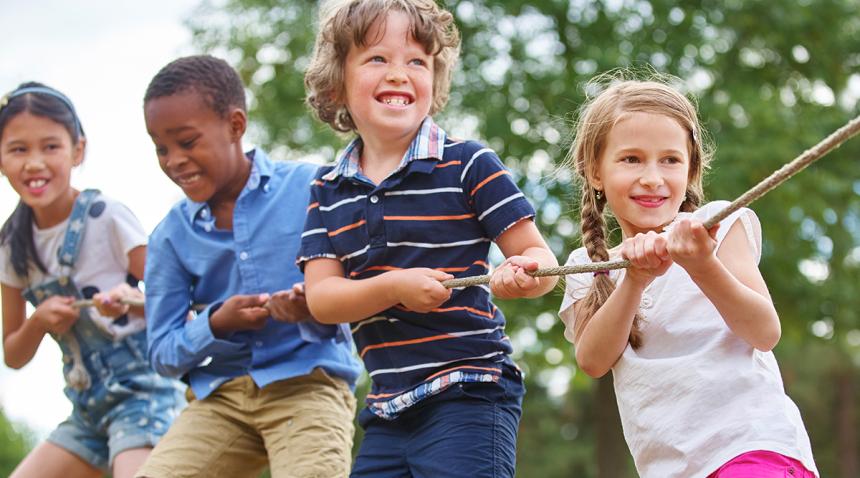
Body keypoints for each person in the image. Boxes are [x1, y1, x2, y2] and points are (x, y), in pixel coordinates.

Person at [300, 1, 559, 476]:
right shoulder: (326, 190)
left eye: (417, 61)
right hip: (386, 408)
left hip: (471, 390)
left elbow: (538, 259)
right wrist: (393, 288)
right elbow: (322, 299)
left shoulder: (468, 164)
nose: (399, 73)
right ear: (337, 80)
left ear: (434, 80)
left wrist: (523, 275)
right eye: (378, 58)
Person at [558, 75, 818, 478]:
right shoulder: (587, 266)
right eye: (631, 159)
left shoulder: (718, 226)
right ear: (595, 171)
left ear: (691, 168)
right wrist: (635, 280)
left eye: (670, 159)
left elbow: (765, 332)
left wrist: (702, 265)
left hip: (752, 447)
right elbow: (592, 361)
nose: (652, 177)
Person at [136, 55, 362, 478]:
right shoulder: (169, 236)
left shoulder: (313, 188)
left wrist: (313, 307)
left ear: (235, 126)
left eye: (187, 142)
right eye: (161, 148)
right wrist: (216, 323)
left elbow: (364, 290)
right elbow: (162, 353)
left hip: (308, 383)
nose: (174, 160)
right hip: (221, 398)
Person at [0, 83, 185, 478]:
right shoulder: (12, 246)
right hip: (87, 410)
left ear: (77, 151)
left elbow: (179, 299)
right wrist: (38, 322)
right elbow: (13, 355)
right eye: (18, 149)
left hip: (144, 395)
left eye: (50, 147)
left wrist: (131, 299)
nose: (34, 163)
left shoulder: (106, 216)